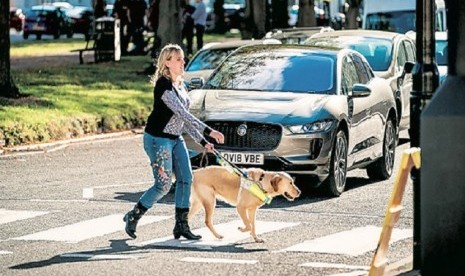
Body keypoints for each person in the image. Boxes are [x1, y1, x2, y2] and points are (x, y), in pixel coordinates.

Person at [123, 44, 225, 240]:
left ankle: (181, 226)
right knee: (162, 185)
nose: (183, 62)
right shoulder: (163, 85)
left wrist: (203, 142)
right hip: (158, 139)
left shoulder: (180, 84)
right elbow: (182, 114)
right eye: (178, 59)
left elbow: (183, 122)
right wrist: (209, 131)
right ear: (167, 62)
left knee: (186, 179)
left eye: (183, 59)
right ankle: (133, 216)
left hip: (175, 139)